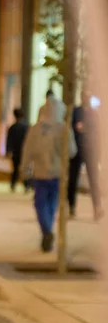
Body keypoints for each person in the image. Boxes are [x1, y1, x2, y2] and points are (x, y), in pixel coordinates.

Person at [21, 105, 77, 252]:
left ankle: (46, 231)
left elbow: (27, 151)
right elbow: (72, 151)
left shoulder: (38, 129)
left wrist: (25, 168)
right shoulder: (64, 128)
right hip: (56, 174)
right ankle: (47, 231)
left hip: (41, 174)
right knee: (51, 205)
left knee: (41, 204)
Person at [68, 90, 104, 220]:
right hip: (77, 150)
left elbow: (99, 133)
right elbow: (70, 130)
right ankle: (71, 207)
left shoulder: (94, 114)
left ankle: (97, 207)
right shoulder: (75, 112)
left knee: (94, 180)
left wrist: (99, 152)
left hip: (90, 150)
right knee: (73, 179)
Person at [6, 108, 29, 192]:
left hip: (15, 151)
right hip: (24, 151)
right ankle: (26, 185)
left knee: (15, 169)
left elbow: (9, 140)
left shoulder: (12, 127)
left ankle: (13, 184)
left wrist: (9, 151)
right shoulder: (26, 127)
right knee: (25, 168)